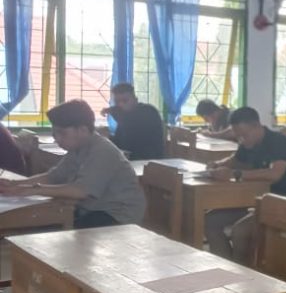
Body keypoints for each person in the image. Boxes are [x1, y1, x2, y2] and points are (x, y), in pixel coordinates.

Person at [0, 100, 144, 228]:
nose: (57, 139)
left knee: (51, 230)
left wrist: (33, 190)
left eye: (62, 133)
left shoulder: (102, 151)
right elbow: (53, 176)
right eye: (54, 134)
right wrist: (16, 184)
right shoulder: (77, 148)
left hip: (117, 215)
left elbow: (80, 190)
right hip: (91, 209)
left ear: (83, 130)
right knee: (41, 222)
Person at [204, 107, 286, 263]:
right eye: (238, 136)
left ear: (257, 126)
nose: (241, 140)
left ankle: (241, 273)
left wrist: (235, 174)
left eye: (244, 135)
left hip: (282, 204)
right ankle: (225, 266)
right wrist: (217, 164)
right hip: (254, 202)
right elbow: (235, 159)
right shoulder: (248, 142)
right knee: (209, 221)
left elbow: (274, 174)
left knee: (240, 231)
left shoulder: (278, 141)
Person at [103, 83, 165, 160]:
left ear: (135, 99)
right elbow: (119, 141)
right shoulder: (123, 115)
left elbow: (134, 138)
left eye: (125, 101)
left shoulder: (148, 112)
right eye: (117, 102)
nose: (120, 104)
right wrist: (105, 138)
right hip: (129, 159)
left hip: (149, 160)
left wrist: (113, 111)